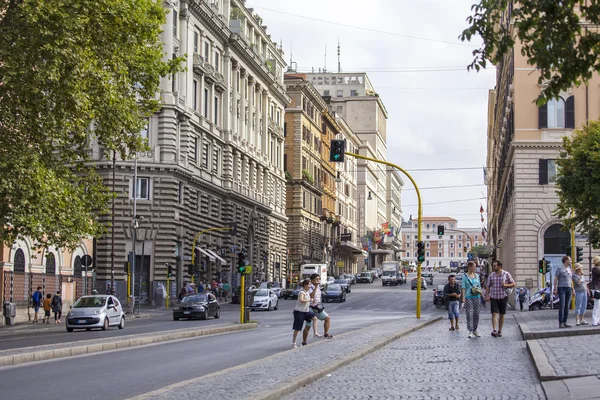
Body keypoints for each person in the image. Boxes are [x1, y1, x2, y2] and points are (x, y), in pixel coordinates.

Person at [485, 260, 515, 337]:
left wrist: (505, 285)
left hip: (503, 296)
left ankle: (500, 330)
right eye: (493, 266)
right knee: (494, 313)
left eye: (495, 266)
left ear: (499, 266)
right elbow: (488, 285)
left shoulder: (506, 274)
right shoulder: (491, 275)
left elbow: (513, 283)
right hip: (494, 297)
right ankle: (494, 330)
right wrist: (487, 295)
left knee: (502, 314)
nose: (493, 267)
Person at [305, 273, 333, 338]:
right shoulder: (310, 287)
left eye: (319, 279)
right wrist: (315, 287)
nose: (318, 280)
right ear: (312, 280)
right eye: (316, 279)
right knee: (308, 325)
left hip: (317, 307)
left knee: (327, 318)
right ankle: (304, 341)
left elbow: (318, 297)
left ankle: (326, 333)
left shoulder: (318, 287)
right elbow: (311, 296)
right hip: (310, 307)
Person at [461, 261, 482, 338]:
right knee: (469, 314)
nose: (475, 268)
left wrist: (482, 295)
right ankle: (470, 330)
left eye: (475, 266)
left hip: (477, 297)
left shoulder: (476, 275)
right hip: (468, 297)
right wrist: (463, 297)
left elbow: (479, 286)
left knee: (476, 314)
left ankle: (475, 330)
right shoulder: (465, 277)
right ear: (469, 267)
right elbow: (463, 287)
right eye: (474, 266)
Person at [553, 256, 573, 328]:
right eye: (570, 260)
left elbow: (571, 280)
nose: (571, 261)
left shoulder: (569, 269)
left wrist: (572, 289)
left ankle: (565, 321)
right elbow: (556, 278)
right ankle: (561, 322)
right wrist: (555, 288)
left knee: (567, 305)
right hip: (561, 288)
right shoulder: (559, 268)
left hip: (569, 288)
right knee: (562, 305)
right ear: (566, 261)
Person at [292, 279, 312, 348]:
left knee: (314, 318)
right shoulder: (302, 292)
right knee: (298, 328)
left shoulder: (307, 292)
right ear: (305, 285)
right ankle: (294, 342)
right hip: (299, 312)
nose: (310, 286)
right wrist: (309, 300)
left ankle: (315, 333)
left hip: (306, 312)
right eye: (309, 284)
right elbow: (301, 300)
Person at [592, 256, 600, 326]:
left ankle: (598, 320)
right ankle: (594, 320)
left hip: (599, 288)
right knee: (597, 305)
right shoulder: (595, 269)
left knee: (599, 305)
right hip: (596, 288)